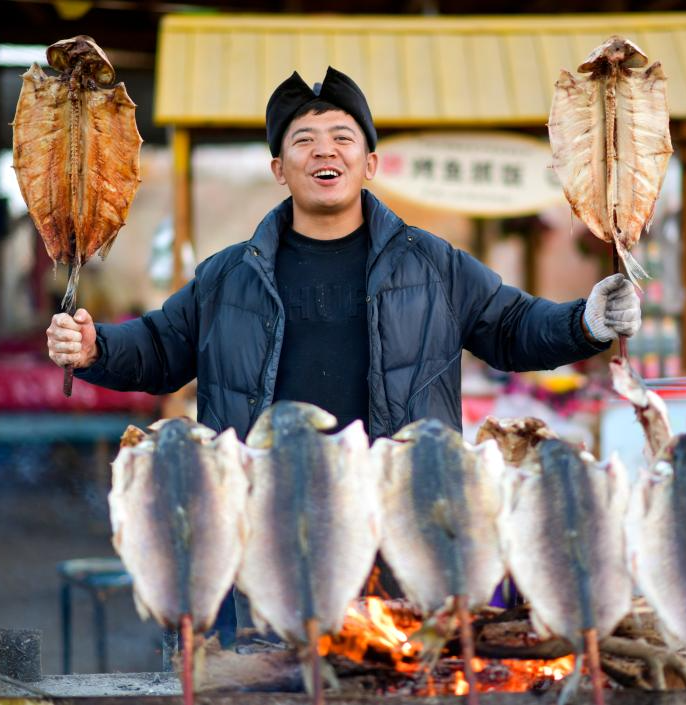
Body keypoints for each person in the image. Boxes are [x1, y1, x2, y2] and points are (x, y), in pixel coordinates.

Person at [47, 66, 641, 443]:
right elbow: (159, 348)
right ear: (279, 169)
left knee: (393, 644)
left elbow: (513, 328)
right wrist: (97, 346)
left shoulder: (433, 264)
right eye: (302, 141)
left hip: (397, 521)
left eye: (342, 139)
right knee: (260, 647)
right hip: (261, 516)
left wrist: (586, 321)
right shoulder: (228, 275)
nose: (323, 151)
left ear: (370, 164)